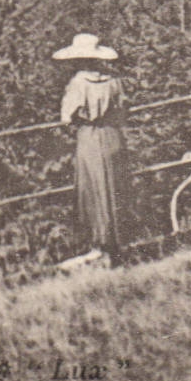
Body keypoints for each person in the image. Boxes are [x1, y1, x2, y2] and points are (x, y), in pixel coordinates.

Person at [55, 33, 129, 269]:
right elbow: (123, 108)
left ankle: (101, 245)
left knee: (93, 189)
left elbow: (66, 118)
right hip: (113, 135)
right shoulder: (113, 80)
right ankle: (116, 244)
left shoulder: (78, 83)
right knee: (113, 187)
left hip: (89, 136)